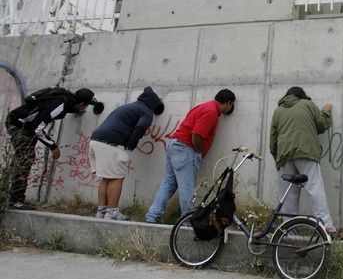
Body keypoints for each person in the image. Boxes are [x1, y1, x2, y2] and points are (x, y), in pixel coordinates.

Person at [145, 89, 236, 223]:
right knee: (186, 187)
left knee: (169, 183)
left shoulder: (204, 106)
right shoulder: (211, 112)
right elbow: (197, 135)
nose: (230, 108)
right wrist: (198, 152)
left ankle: (152, 216)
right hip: (185, 148)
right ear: (228, 103)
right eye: (231, 105)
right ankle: (187, 222)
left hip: (175, 145)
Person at [5, 87, 96, 210]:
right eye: (86, 106)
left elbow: (55, 108)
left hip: (23, 124)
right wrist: (53, 146)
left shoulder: (66, 97)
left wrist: (75, 111)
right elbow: (38, 128)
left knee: (23, 159)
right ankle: (15, 201)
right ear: (81, 104)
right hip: (18, 125)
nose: (85, 109)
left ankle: (12, 197)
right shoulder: (60, 104)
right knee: (24, 160)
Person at [269, 86, 336, 235]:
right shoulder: (307, 104)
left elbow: (272, 140)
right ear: (302, 95)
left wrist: (278, 160)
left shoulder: (278, 110)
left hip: (284, 156)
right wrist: (325, 111)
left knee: (288, 195)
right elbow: (321, 125)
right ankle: (326, 227)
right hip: (306, 152)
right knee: (314, 188)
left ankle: (289, 231)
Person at [89, 87, 163, 220]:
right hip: (110, 144)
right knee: (117, 177)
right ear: (153, 104)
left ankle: (101, 212)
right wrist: (131, 144)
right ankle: (112, 212)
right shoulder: (146, 111)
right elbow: (141, 127)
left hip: (95, 141)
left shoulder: (131, 107)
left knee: (106, 177)